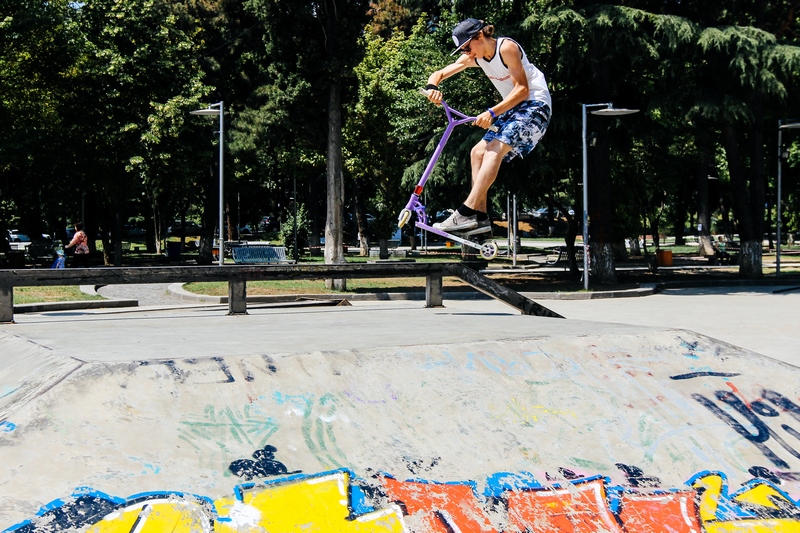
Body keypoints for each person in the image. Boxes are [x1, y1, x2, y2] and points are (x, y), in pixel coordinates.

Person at [425, 18, 552, 235]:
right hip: (513, 109)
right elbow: (440, 73)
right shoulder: (475, 57)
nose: (466, 53)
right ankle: (480, 219)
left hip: (535, 105)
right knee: (477, 153)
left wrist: (492, 113)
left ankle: (465, 211)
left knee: (494, 148)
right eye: (463, 50)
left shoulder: (506, 48)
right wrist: (432, 87)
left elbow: (522, 89)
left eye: (467, 47)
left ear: (480, 36)